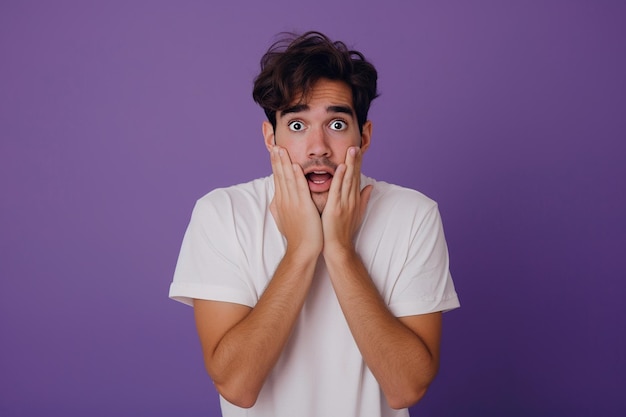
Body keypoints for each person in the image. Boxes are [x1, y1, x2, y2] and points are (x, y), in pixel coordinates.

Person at [169, 31, 460, 417]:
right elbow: (237, 385)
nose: (318, 146)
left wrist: (340, 250)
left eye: (337, 124)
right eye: (296, 125)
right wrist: (302, 250)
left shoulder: (413, 215)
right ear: (270, 138)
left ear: (365, 136)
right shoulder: (223, 213)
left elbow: (406, 387)